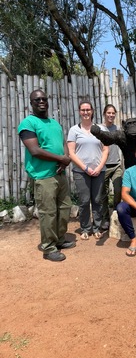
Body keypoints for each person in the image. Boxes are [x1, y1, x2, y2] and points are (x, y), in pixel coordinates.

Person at [18, 89, 74, 262]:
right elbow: (34, 150)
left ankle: (59, 239)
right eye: (37, 99)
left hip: (60, 173)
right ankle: (49, 248)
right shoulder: (28, 123)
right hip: (44, 176)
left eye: (43, 98)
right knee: (48, 212)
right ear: (31, 103)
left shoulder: (54, 123)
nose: (41, 101)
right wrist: (62, 159)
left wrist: (66, 160)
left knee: (65, 208)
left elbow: (63, 143)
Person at [67, 101, 109, 240]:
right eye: (83, 110)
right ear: (79, 111)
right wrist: (85, 168)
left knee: (97, 200)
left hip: (99, 170)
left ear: (92, 111)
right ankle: (85, 228)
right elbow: (71, 153)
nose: (85, 112)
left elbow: (105, 150)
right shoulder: (74, 130)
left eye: (88, 110)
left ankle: (97, 227)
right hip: (80, 172)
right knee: (84, 201)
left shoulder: (100, 129)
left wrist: (98, 167)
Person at [99, 104, 123, 232]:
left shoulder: (117, 129)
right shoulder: (99, 129)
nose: (111, 115)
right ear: (104, 113)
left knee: (119, 188)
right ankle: (105, 218)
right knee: (103, 194)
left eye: (113, 113)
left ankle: (116, 212)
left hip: (116, 164)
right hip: (103, 166)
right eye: (109, 113)